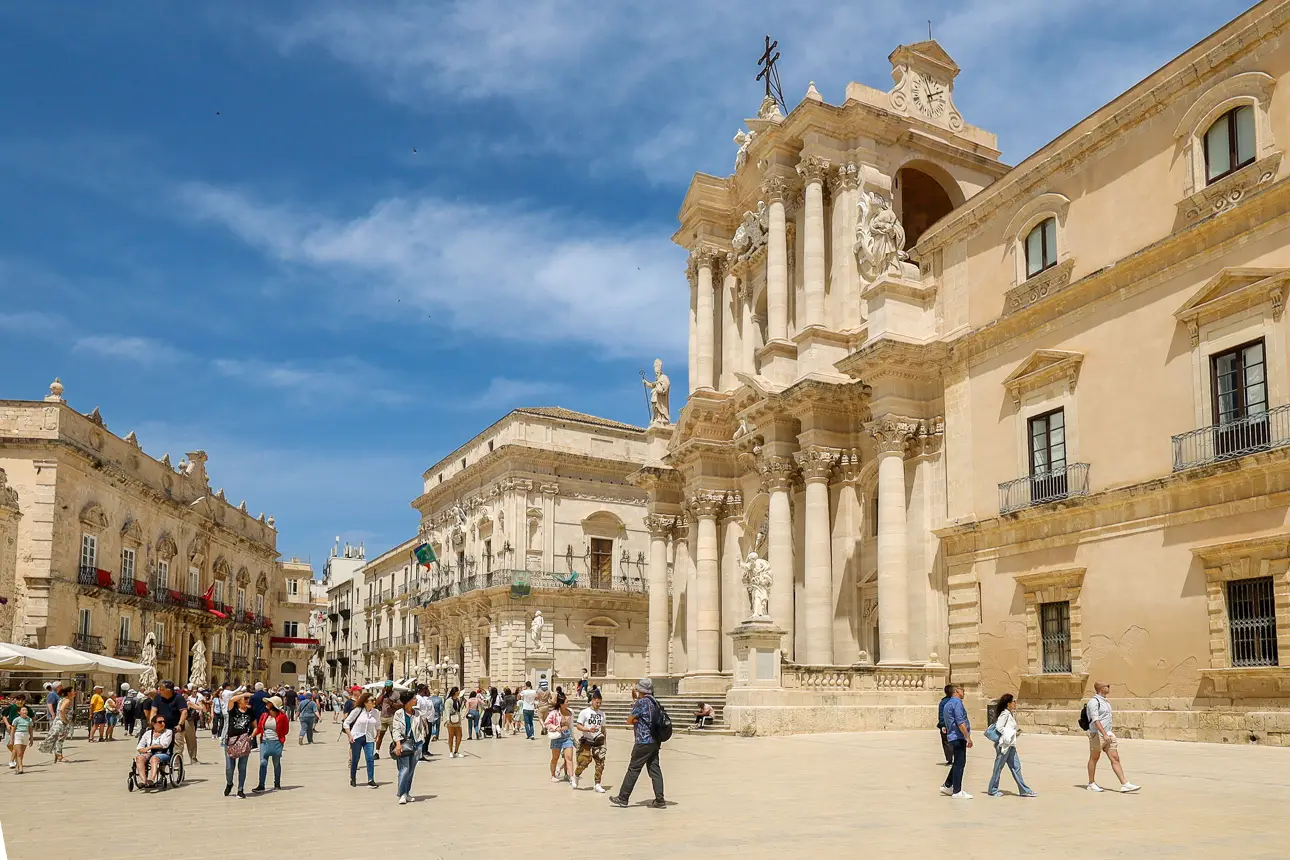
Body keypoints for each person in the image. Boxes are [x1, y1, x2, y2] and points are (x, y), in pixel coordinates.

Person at [609, 678, 665, 809]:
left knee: (633, 769)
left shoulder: (641, 702)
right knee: (655, 770)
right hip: (654, 741)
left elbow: (629, 720)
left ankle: (623, 798)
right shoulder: (655, 702)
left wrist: (635, 718)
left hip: (643, 741)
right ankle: (660, 800)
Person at [1085, 681, 1140, 793]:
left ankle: (1125, 784)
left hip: (1108, 734)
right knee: (1094, 758)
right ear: (1101, 688)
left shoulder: (1105, 701)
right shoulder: (1094, 702)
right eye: (1107, 686)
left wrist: (1108, 733)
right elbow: (1096, 720)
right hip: (1097, 734)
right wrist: (1104, 734)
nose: (1109, 687)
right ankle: (1091, 783)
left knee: (1115, 757)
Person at [987, 693, 1036, 797]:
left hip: (1010, 744)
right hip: (1004, 745)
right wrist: (1013, 733)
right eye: (1013, 701)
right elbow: (999, 727)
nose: (1015, 703)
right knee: (998, 767)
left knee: (1016, 766)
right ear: (1008, 704)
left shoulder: (1009, 714)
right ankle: (993, 789)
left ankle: (1024, 790)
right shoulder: (1004, 714)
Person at [390, 692, 428, 805]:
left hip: (416, 744)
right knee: (404, 769)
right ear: (407, 701)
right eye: (414, 698)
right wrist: (398, 744)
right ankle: (401, 793)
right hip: (403, 744)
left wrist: (422, 740)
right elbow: (395, 730)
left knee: (411, 770)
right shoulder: (398, 714)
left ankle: (407, 792)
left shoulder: (417, 713)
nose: (416, 700)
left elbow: (421, 727)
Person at [939, 685, 972, 799]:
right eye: (963, 690)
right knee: (960, 764)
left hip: (952, 736)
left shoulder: (947, 704)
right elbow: (960, 721)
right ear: (957, 691)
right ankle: (957, 791)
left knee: (957, 762)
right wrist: (967, 737)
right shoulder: (957, 703)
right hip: (958, 737)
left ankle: (948, 785)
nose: (964, 692)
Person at [221, 691, 255, 797]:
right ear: (239, 700)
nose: (247, 700)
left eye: (247, 699)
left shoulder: (250, 711)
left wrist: (251, 736)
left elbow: (256, 726)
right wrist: (243, 694)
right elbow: (231, 700)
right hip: (231, 741)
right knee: (229, 767)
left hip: (244, 741)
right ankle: (229, 783)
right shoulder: (233, 710)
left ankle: (241, 789)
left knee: (242, 766)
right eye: (245, 699)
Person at [253, 695, 288, 792]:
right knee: (263, 763)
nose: (266, 704)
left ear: (273, 705)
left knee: (276, 764)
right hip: (264, 742)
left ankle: (277, 784)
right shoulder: (264, 715)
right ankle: (261, 785)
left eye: (269, 702)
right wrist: (251, 736)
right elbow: (260, 728)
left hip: (276, 742)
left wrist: (277, 735)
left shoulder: (282, 717)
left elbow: (286, 730)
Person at [344, 692, 380, 788]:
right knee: (355, 759)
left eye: (374, 700)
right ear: (365, 702)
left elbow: (378, 725)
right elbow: (346, 723)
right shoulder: (358, 710)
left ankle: (371, 780)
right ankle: (353, 778)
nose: (374, 702)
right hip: (357, 737)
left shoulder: (375, 712)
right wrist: (350, 735)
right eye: (371, 700)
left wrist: (377, 734)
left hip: (369, 738)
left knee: (370, 759)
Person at [574, 691, 607, 792]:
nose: (598, 704)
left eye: (600, 703)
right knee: (583, 762)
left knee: (600, 763)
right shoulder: (584, 712)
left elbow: (603, 729)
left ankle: (597, 783)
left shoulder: (602, 714)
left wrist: (605, 743)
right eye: (597, 702)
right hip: (587, 741)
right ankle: (576, 775)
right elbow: (578, 726)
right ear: (592, 701)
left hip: (598, 742)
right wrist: (588, 730)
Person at [134, 715, 174, 788]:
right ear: (153, 724)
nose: (163, 723)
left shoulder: (168, 732)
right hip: (150, 752)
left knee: (154, 758)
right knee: (139, 758)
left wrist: (151, 746)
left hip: (163, 753)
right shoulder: (148, 733)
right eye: (160, 722)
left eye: (164, 722)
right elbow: (140, 745)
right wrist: (141, 749)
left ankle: (151, 780)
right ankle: (143, 781)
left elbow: (165, 744)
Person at [38, 686, 74, 763]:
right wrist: (65, 720)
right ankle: (59, 755)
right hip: (62, 723)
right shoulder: (67, 700)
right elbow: (61, 710)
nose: (75, 693)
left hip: (58, 722)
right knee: (60, 739)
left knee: (58, 739)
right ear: (69, 693)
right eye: (73, 691)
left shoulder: (62, 699)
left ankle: (58, 755)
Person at [546, 692, 575, 784]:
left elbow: (571, 726)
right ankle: (553, 775)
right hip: (557, 737)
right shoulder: (554, 713)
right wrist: (555, 728)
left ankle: (572, 777)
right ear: (561, 704)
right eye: (567, 701)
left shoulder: (570, 712)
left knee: (569, 758)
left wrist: (573, 738)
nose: (568, 703)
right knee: (555, 758)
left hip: (567, 737)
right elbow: (547, 723)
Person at [375, 682, 402, 759]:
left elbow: (400, 705)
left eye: (388, 687)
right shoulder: (383, 694)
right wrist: (382, 694)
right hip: (383, 717)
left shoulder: (396, 694)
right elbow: (377, 703)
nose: (387, 688)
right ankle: (377, 752)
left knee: (393, 735)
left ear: (391, 687)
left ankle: (396, 750)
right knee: (380, 735)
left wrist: (392, 704)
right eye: (385, 686)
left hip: (392, 717)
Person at [5, 704, 32, 774]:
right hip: (18, 735)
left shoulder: (29, 719)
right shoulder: (16, 720)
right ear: (19, 712)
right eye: (23, 710)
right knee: (19, 753)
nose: (25, 711)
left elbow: (30, 729)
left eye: (26, 710)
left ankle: (17, 766)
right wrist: (11, 739)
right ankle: (21, 768)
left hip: (25, 735)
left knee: (22, 753)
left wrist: (31, 738)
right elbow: (13, 730)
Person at [443, 687, 464, 758]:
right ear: (455, 692)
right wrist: (448, 720)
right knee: (451, 736)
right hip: (451, 720)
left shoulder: (458, 700)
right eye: (458, 691)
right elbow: (447, 710)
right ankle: (451, 751)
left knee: (459, 736)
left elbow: (459, 709)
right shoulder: (449, 701)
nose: (459, 692)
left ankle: (456, 751)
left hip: (457, 720)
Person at [937, 683, 955, 766]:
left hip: (946, 725)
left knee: (946, 742)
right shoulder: (955, 701)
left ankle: (949, 759)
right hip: (954, 725)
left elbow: (941, 715)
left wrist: (942, 725)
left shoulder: (943, 702)